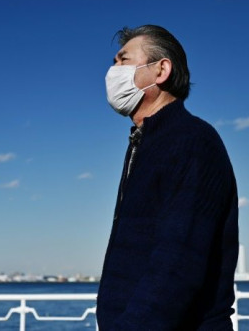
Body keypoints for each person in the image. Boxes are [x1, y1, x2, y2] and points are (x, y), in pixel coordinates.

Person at [97, 24, 239, 330]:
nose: (113, 70)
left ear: (161, 70)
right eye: (113, 63)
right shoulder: (145, 141)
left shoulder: (193, 140)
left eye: (123, 60)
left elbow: (177, 261)